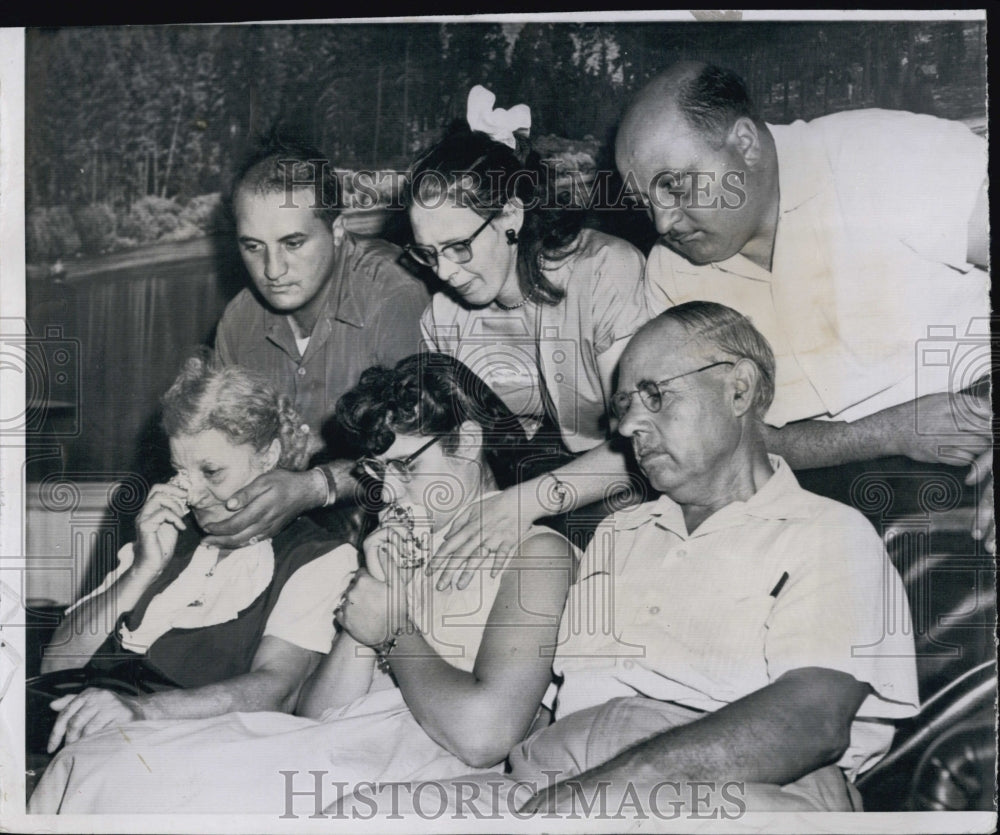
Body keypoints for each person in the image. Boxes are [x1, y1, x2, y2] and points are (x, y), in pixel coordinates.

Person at [386, 302, 919, 818]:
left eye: (654, 396)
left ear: (739, 388)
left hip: (729, 787)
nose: (626, 427)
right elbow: (560, 702)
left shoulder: (826, 533)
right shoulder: (620, 533)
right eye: (623, 406)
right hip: (559, 776)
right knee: (370, 814)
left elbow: (811, 722)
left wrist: (595, 793)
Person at [28, 354, 576, 815]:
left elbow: (483, 739)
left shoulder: (538, 552)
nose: (389, 493)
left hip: (422, 754)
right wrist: (370, 611)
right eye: (380, 473)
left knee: (141, 788)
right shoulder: (404, 543)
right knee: (95, 762)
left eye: (407, 468)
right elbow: (319, 715)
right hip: (342, 740)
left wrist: (390, 632)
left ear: (470, 442)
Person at [615, 61, 993, 551]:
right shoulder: (670, 275)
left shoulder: (880, 155)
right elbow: (725, 438)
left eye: (673, 186)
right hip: (810, 481)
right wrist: (881, 434)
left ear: (745, 144)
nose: (662, 223)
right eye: (644, 201)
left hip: (974, 430)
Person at [30, 354, 357, 756]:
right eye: (180, 472)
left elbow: (278, 689)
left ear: (268, 457)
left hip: (195, 752)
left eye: (212, 472)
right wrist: (144, 570)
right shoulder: (166, 536)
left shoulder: (316, 558)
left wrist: (139, 711)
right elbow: (56, 665)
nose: (194, 495)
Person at [411, 86, 651, 584]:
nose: (445, 273)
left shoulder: (606, 272)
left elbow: (644, 442)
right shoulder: (443, 317)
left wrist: (519, 505)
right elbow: (456, 450)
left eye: (457, 247)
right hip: (520, 487)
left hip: (624, 480)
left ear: (510, 216)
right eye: (427, 254)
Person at [203, 136, 431, 549]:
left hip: (384, 520)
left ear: (338, 230)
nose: (273, 270)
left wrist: (316, 486)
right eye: (253, 247)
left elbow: (425, 456)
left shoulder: (394, 298)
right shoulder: (238, 321)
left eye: (293, 243)